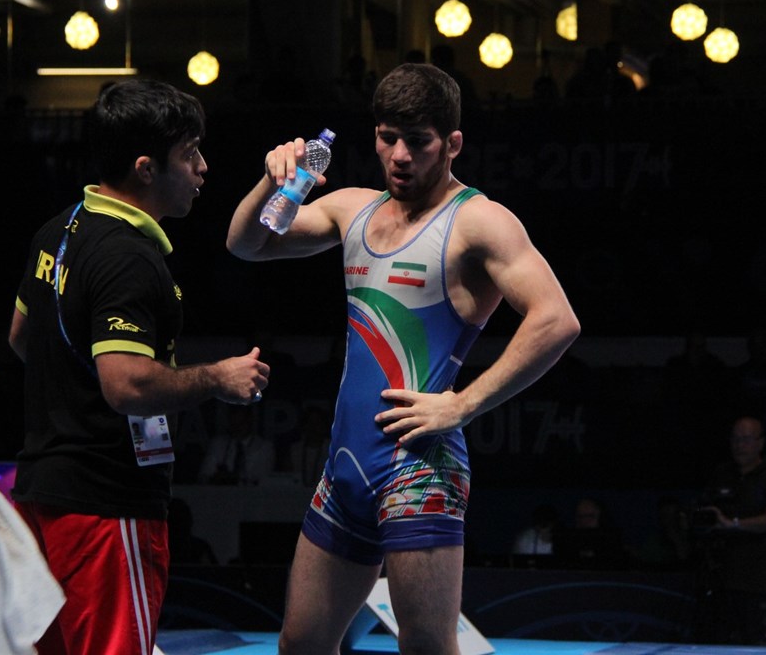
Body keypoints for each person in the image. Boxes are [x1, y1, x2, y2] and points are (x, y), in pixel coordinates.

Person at [226, 62, 581, 654]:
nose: (399, 156)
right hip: (345, 467)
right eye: (388, 138)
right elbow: (248, 243)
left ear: (453, 144)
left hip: (419, 469)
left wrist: (462, 405)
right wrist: (272, 181)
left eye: (418, 142)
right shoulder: (352, 209)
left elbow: (557, 320)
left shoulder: (479, 222)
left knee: (425, 647)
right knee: (300, 644)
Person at [8, 79, 270, 655]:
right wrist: (217, 378)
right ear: (146, 168)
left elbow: (22, 337)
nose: (202, 167)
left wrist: (74, 397)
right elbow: (126, 385)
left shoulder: (59, 229)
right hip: (106, 505)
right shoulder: (127, 256)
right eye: (190, 153)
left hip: (42, 497)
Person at [695, 416, 766, 645]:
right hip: (723, 581)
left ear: (760, 442)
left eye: (746, 439)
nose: (740, 445)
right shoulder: (722, 473)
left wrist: (734, 524)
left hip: (761, 583)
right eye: (735, 439)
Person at [198, 404, 276, 485]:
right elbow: (204, 475)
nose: (237, 428)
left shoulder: (264, 447)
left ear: (250, 422)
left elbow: (262, 479)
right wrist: (215, 478)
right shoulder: (218, 444)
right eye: (234, 424)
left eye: (241, 424)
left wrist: (233, 480)